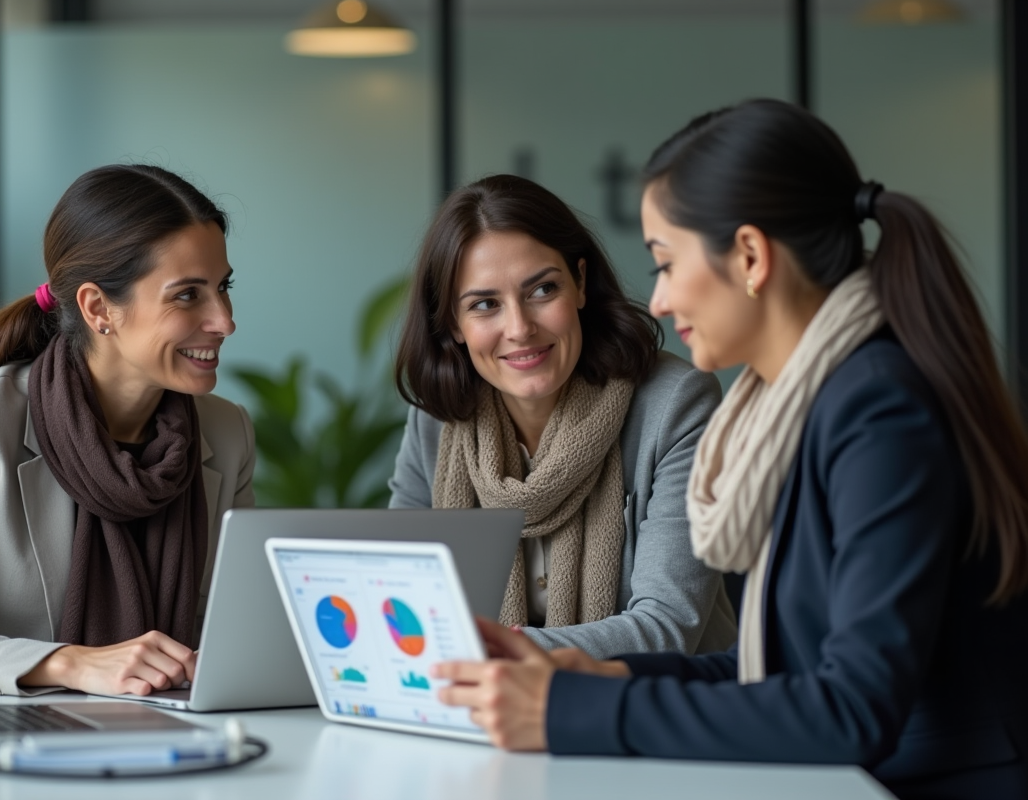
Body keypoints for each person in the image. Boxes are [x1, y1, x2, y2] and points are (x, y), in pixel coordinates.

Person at [433, 99, 1028, 799]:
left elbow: (851, 710)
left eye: (666, 263)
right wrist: (601, 675)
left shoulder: (877, 408)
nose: (657, 300)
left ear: (749, 256)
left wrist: (569, 709)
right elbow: (781, 674)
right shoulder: (805, 403)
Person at [0, 164, 256, 698]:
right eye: (187, 295)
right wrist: (71, 664)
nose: (224, 320)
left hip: (158, 733)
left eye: (223, 287)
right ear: (98, 308)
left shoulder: (228, 433)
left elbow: (236, 630)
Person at [389, 174, 737, 658]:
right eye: (485, 304)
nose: (519, 328)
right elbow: (400, 596)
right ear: (452, 322)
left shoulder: (675, 404)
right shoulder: (435, 422)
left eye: (542, 290)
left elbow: (666, 628)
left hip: (645, 698)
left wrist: (478, 650)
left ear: (580, 283)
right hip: (476, 697)